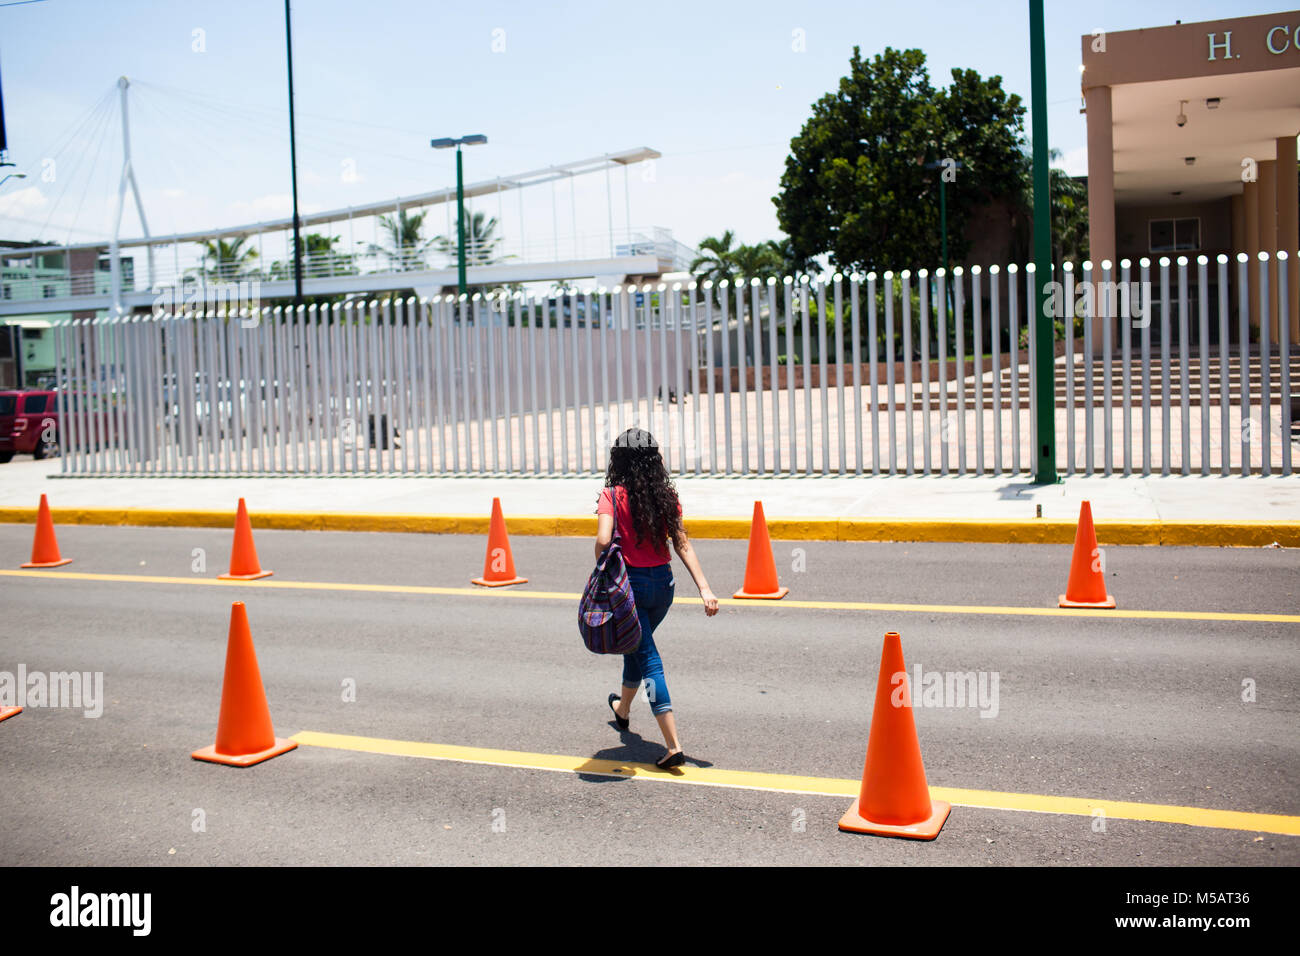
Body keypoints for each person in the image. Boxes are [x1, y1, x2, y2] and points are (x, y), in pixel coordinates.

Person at [595, 428, 718, 769]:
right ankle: (622, 710)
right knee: (637, 646)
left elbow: (604, 541)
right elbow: (682, 543)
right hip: (663, 588)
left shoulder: (611, 495)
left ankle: (673, 745)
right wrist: (704, 589)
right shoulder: (666, 496)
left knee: (648, 658)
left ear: (618, 459)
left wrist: (600, 567)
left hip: (629, 590)